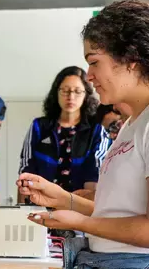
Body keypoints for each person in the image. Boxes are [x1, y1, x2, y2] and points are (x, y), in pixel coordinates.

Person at [17, 0, 149, 269]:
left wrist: (79, 221)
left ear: (131, 59)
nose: (89, 75)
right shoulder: (132, 125)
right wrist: (64, 199)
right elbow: (118, 211)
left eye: (94, 62)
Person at [18, 66, 109, 205]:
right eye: (65, 91)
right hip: (40, 206)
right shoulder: (39, 126)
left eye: (77, 91)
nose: (71, 97)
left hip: (78, 210)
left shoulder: (96, 130)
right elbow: (26, 169)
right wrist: (22, 211)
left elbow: (94, 174)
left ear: (86, 94)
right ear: (56, 92)